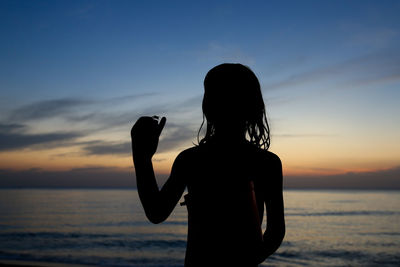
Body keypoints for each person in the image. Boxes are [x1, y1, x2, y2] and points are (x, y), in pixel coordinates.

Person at [131, 63, 285, 266]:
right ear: (255, 106)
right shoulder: (266, 162)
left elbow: (156, 212)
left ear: (207, 107)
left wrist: (141, 157)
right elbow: (275, 233)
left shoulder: (191, 159)